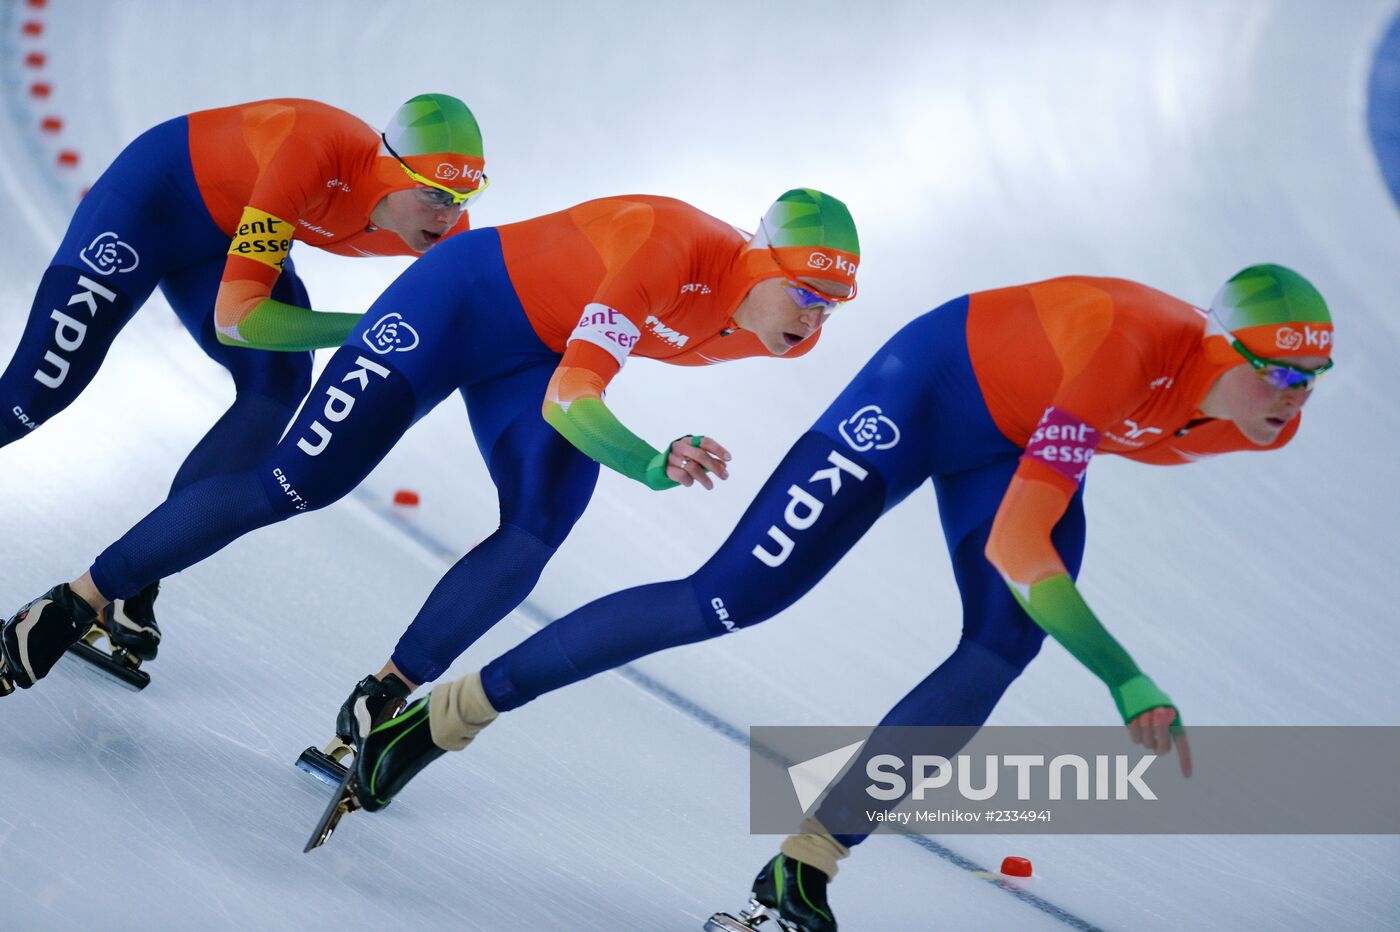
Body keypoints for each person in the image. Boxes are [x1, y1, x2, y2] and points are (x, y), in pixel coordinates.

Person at [335, 265, 1332, 931]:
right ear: (1223, 350)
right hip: (923, 391)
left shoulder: (1257, 423)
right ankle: (441, 714)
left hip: (1019, 432)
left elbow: (1033, 507)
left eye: (1311, 377)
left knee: (999, 640)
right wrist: (1122, 675)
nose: (1291, 398)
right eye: (1278, 371)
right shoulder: (1131, 352)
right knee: (726, 597)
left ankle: (806, 859)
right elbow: (1020, 539)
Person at [0, 188, 862, 756]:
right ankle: (73, 599)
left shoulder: (780, 333)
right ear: (757, 263)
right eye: (807, 295)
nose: (815, 319)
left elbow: (570, 374)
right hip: (452, 304)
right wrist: (649, 457)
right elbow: (573, 402)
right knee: (298, 481)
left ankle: (386, 696)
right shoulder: (668, 245)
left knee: (538, 526)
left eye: (834, 307)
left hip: (538, 350)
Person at [0, 93, 488, 665]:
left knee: (278, 386)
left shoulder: (451, 238)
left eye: (462, 198)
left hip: (228, 240)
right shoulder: (313, 151)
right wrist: (370, 326)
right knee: (39, 389)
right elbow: (237, 319)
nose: (447, 216)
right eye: (435, 194)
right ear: (389, 170)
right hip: (152, 202)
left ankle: (133, 579)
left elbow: (471, 328)